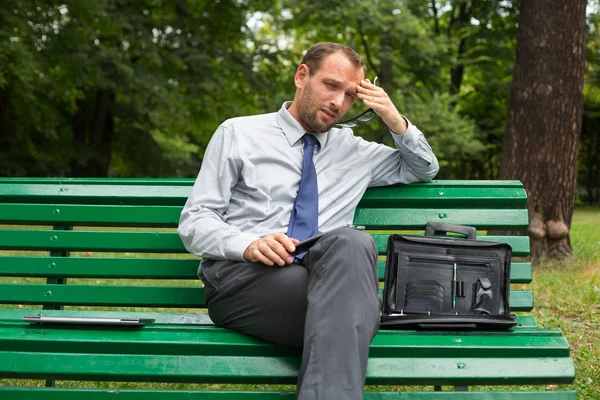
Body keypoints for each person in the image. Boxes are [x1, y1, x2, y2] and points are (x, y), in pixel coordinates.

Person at [178, 42, 439, 399]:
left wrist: (394, 119)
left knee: (353, 243)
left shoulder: (354, 151)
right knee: (356, 313)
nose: (338, 103)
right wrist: (249, 245)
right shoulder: (239, 134)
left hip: (324, 280)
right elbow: (195, 221)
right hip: (244, 281)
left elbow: (424, 168)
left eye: (350, 95)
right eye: (331, 85)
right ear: (302, 76)